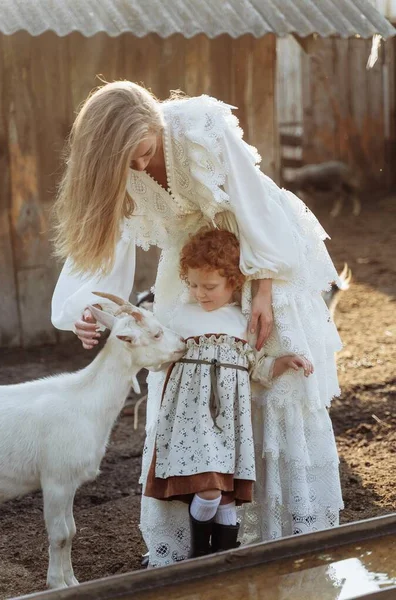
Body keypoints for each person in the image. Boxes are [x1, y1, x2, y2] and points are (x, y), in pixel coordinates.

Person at [51, 81, 343, 567]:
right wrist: (87, 312)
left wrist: (264, 290)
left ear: (155, 125)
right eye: (129, 162)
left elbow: (254, 206)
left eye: (143, 152)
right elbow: (106, 249)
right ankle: (197, 532)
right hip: (193, 269)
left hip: (256, 250)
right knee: (187, 383)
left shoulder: (198, 127)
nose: (140, 168)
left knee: (270, 377)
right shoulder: (117, 167)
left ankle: (278, 532)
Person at [144, 229, 313, 557]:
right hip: (191, 420)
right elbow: (157, 355)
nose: (200, 294)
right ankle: (198, 555)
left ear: (233, 282)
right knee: (208, 491)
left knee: (225, 496)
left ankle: (221, 563)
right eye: (193, 285)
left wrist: (282, 362)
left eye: (209, 287)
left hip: (229, 422)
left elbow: (256, 368)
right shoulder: (180, 319)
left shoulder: (241, 322)